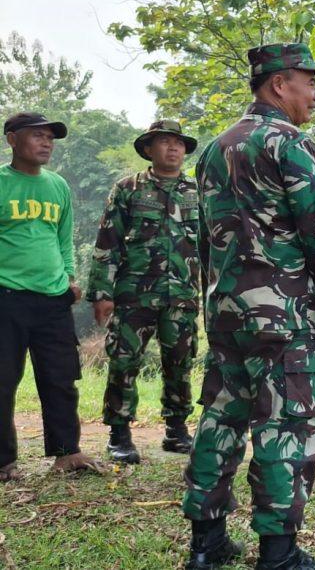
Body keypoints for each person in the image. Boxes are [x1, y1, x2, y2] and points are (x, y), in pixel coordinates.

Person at [181, 43, 315, 570]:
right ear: (280, 84)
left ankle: (205, 544)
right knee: (286, 427)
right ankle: (279, 556)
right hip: (284, 318)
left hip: (228, 315)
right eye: (309, 81)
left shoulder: (215, 148)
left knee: (220, 421)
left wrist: (210, 307)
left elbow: (205, 240)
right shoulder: (291, 144)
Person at [86, 119, 201, 465]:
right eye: (164, 142)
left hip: (181, 295)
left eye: (178, 143)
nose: (173, 148)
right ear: (149, 149)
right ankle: (119, 434)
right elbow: (108, 242)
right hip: (133, 294)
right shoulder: (128, 188)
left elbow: (211, 246)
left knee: (180, 361)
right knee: (124, 362)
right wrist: (102, 292)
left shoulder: (196, 192)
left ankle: (176, 430)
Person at [0, 112, 104, 481]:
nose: (46, 143)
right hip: (6, 297)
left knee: (60, 378)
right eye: (37, 136)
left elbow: (64, 238)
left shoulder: (57, 186)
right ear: (12, 139)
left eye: (50, 138)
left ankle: (66, 452)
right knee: (2, 380)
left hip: (52, 298)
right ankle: (4, 462)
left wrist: (70, 278)